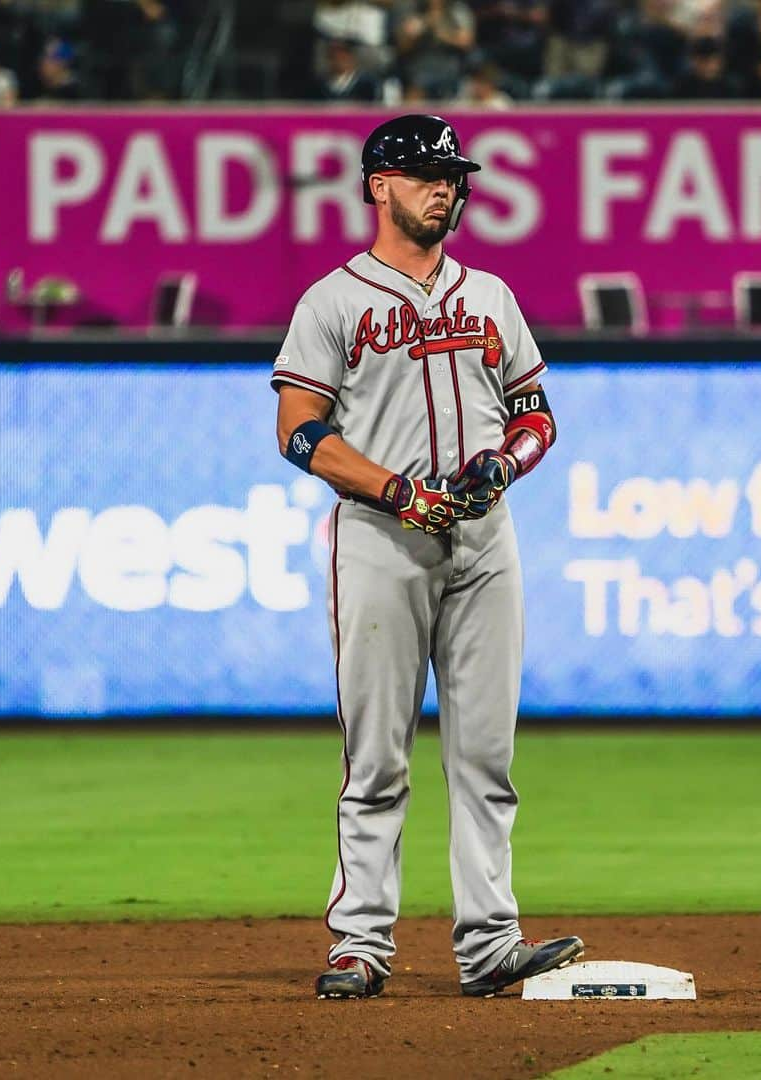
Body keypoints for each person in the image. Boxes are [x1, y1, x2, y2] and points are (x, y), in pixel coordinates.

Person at [272, 114, 582, 1000]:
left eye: (451, 175)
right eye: (421, 173)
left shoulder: (489, 296)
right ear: (378, 185)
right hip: (382, 542)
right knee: (377, 758)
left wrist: (503, 464)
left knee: (485, 756)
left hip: (485, 544)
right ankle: (360, 944)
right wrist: (396, 489)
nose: (443, 187)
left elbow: (538, 414)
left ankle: (490, 947)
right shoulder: (334, 301)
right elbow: (298, 433)